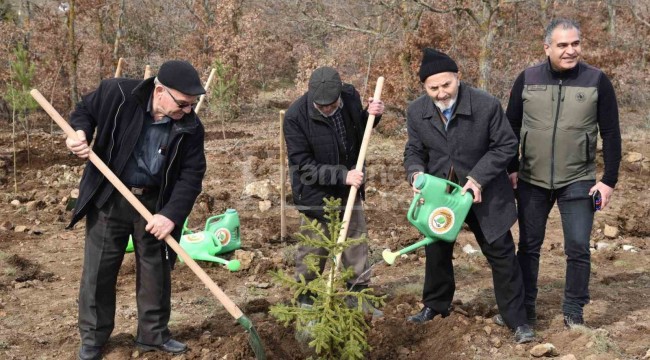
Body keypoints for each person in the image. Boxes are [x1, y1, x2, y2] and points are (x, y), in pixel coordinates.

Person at [66, 60, 207, 359]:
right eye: (183, 104)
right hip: (110, 196)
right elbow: (84, 112)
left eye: (192, 105)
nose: (188, 111)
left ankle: (153, 334)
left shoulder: (190, 127)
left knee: (156, 270)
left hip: (156, 203)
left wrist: (169, 215)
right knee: (99, 271)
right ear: (159, 91)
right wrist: (78, 133)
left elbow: (192, 176)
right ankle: (93, 338)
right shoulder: (116, 93)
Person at [403, 48, 535, 343]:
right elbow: (414, 150)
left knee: (501, 254)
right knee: (436, 252)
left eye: (446, 85)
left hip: (483, 193)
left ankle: (517, 320)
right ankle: (435, 307)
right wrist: (415, 174)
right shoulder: (416, 111)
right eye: (433, 88)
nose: (440, 93)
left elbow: (505, 145)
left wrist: (477, 178)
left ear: (458, 78)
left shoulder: (485, 104)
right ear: (424, 87)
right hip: (441, 194)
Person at [505, 18, 622, 328]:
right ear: (547, 48)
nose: (571, 51)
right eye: (563, 45)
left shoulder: (597, 81)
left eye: (575, 44)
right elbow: (510, 127)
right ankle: (524, 309)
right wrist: (512, 168)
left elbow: (611, 133)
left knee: (578, 248)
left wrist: (608, 181)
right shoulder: (527, 79)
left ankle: (573, 311)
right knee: (528, 247)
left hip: (578, 181)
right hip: (532, 179)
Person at [283, 66, 384, 315]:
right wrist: (342, 175)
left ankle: (357, 295)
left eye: (331, 104)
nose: (327, 109)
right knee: (314, 247)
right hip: (316, 192)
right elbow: (303, 166)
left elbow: (359, 133)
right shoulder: (296, 117)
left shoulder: (349, 96)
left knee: (355, 242)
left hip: (350, 186)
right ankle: (306, 298)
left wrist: (372, 115)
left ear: (339, 94)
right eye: (321, 105)